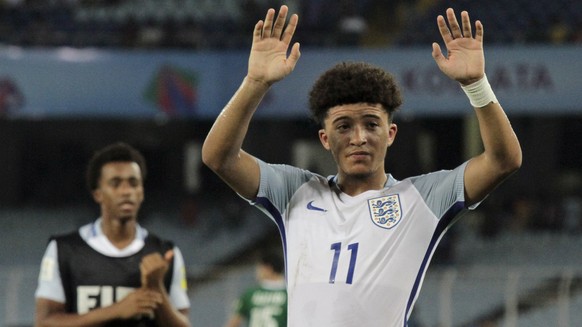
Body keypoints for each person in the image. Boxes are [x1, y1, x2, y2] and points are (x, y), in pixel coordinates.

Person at [202, 5, 521, 327]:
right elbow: (219, 157)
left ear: (390, 133)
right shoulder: (295, 192)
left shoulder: (423, 197)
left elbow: (503, 160)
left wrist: (476, 85)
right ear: (325, 139)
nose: (359, 137)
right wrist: (255, 82)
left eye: (371, 124)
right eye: (343, 127)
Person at [34, 142, 191, 327]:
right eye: (115, 183)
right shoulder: (64, 251)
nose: (126, 191)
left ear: (141, 192)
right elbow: (44, 323)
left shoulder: (165, 253)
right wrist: (117, 310)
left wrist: (156, 289)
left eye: (133, 183)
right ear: (97, 194)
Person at [223, 250, 287, 327]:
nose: (257, 271)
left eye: (259, 268)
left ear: (268, 268)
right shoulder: (289, 293)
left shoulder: (250, 294)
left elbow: (233, 323)